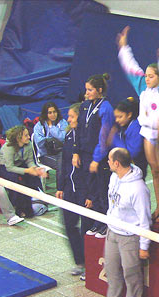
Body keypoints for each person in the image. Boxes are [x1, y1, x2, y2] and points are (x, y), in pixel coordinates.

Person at [117, 26, 159, 223]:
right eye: (147, 75)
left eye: (151, 76)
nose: (147, 78)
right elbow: (131, 68)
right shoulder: (142, 86)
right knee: (155, 172)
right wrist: (124, 47)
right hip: (147, 133)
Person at [94, 148, 151, 297]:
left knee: (131, 272)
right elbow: (112, 204)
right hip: (113, 231)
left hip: (130, 236)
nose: (107, 163)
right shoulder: (114, 178)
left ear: (116, 163)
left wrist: (144, 246)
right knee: (111, 269)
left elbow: (145, 219)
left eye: (109, 160)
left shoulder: (138, 189)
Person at [73, 73, 114, 239]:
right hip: (84, 154)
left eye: (90, 90)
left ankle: (105, 223)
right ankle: (97, 221)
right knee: (90, 190)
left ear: (99, 90)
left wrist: (97, 159)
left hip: (99, 157)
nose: (87, 93)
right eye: (86, 90)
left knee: (101, 190)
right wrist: (76, 151)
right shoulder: (85, 106)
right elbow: (79, 129)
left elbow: (103, 138)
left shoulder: (106, 108)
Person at [56, 103, 93, 277]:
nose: (68, 120)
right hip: (68, 189)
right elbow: (63, 163)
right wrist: (60, 187)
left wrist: (90, 194)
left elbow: (90, 170)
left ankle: (91, 266)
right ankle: (80, 262)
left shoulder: (87, 138)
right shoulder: (69, 135)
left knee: (86, 227)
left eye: (71, 117)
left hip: (83, 190)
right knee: (69, 225)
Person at [0, 125, 47, 218]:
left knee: (32, 177)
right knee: (14, 179)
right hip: (3, 166)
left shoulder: (29, 144)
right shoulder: (8, 147)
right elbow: (9, 167)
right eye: (26, 135)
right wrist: (27, 170)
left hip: (18, 163)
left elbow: (30, 161)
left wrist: (34, 169)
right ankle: (17, 207)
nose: (29, 137)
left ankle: (35, 201)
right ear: (19, 138)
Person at [33, 102, 68, 187]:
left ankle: (63, 189)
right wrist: (51, 140)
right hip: (45, 155)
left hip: (60, 152)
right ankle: (61, 190)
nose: (53, 115)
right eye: (50, 113)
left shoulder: (62, 122)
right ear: (45, 114)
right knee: (63, 165)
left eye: (54, 112)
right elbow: (39, 142)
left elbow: (64, 137)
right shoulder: (39, 126)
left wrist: (52, 127)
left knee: (64, 161)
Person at [111, 97, 147, 178]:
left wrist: (114, 137)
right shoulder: (124, 126)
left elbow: (132, 153)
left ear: (129, 114)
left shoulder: (136, 127)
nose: (117, 120)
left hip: (137, 166)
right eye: (115, 117)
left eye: (120, 117)